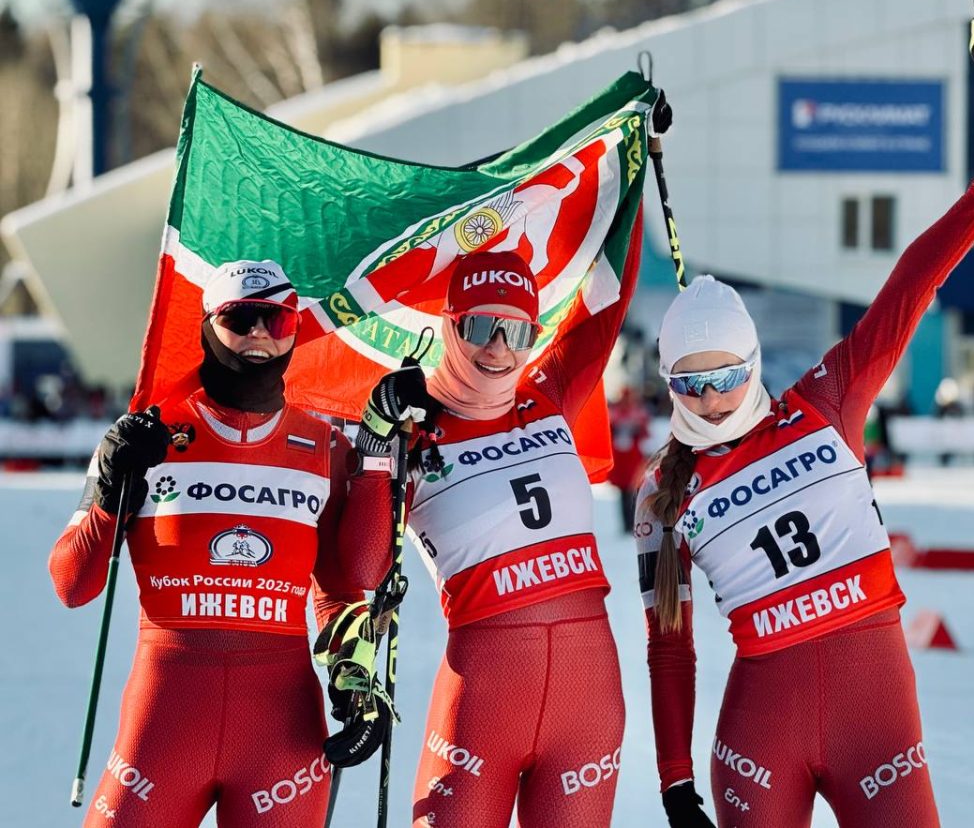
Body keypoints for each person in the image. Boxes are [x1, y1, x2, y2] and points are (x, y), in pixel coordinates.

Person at [634, 99, 974, 828]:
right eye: (689, 384)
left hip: (875, 717)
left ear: (755, 363)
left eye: (726, 375)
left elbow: (907, 290)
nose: (709, 399)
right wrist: (674, 782)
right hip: (761, 739)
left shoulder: (826, 402)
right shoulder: (663, 495)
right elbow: (669, 646)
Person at [49, 260, 399, 828]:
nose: (260, 334)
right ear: (208, 327)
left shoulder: (325, 445)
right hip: (165, 720)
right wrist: (112, 494)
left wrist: (355, 679)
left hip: (279, 731)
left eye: (277, 320)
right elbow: (72, 584)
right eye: (241, 317)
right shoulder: (144, 435)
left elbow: (345, 583)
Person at [401, 248, 636, 827]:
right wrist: (378, 444)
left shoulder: (549, 395)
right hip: (481, 701)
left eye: (517, 330)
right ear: (449, 324)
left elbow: (608, 301)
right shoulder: (408, 427)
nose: (499, 347)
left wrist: (623, 165)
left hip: (587, 700)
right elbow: (354, 568)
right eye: (481, 325)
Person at [609, 385, 652, 532]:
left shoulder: (637, 413)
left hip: (633, 458)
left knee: (635, 491)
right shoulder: (614, 413)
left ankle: (634, 523)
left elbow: (646, 433)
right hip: (621, 459)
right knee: (624, 493)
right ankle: (627, 524)